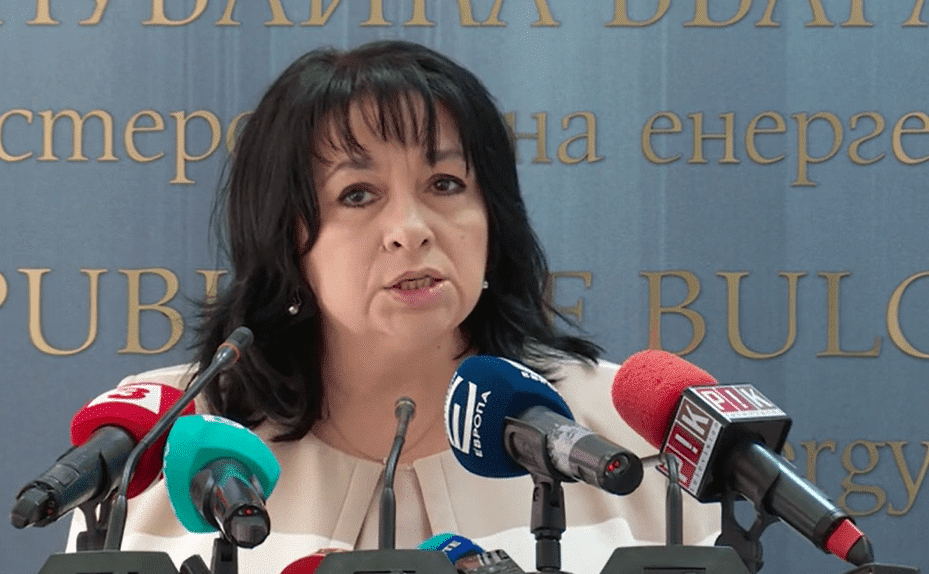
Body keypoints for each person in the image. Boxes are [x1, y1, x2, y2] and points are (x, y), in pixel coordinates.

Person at [67, 40, 720, 572]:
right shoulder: (165, 451)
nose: (411, 229)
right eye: (357, 194)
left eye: (445, 183)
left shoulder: (625, 438)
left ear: (494, 221)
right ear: (285, 238)